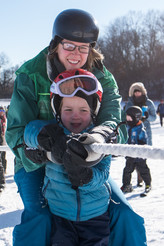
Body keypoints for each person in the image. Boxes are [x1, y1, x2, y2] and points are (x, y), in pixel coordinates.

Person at [5, 9, 146, 246]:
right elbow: (15, 132)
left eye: (84, 47)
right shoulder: (30, 75)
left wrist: (96, 139)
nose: (76, 54)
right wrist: (44, 140)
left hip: (84, 158)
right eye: (69, 45)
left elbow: (114, 123)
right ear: (55, 44)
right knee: (39, 217)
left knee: (124, 214)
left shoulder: (102, 77)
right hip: (35, 160)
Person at [24, 69, 112, 245]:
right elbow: (29, 131)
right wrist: (43, 135)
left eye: (83, 109)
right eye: (68, 109)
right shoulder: (54, 133)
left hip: (96, 216)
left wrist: (86, 177)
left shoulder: (98, 140)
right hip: (60, 215)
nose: (75, 115)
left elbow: (103, 174)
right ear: (57, 110)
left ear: (93, 111)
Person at [125, 82, 156, 186]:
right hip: (132, 132)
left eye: (139, 92)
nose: (137, 94)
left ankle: (141, 178)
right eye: (135, 92)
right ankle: (129, 182)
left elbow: (154, 117)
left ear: (142, 92)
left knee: (142, 157)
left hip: (145, 132)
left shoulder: (149, 103)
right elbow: (126, 116)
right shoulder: (130, 103)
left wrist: (147, 117)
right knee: (131, 157)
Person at [121, 106, 152, 194]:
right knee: (127, 170)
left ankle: (148, 184)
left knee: (143, 170)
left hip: (139, 155)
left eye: (130, 118)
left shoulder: (140, 129)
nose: (128, 120)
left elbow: (143, 140)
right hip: (130, 154)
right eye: (127, 118)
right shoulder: (127, 126)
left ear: (136, 117)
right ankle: (126, 185)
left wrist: (141, 149)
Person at [0, 106, 7, 173]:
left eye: (3, 111)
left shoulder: (4, 119)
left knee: (3, 154)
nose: (1, 112)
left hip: (3, 138)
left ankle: (4, 169)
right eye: (0, 110)